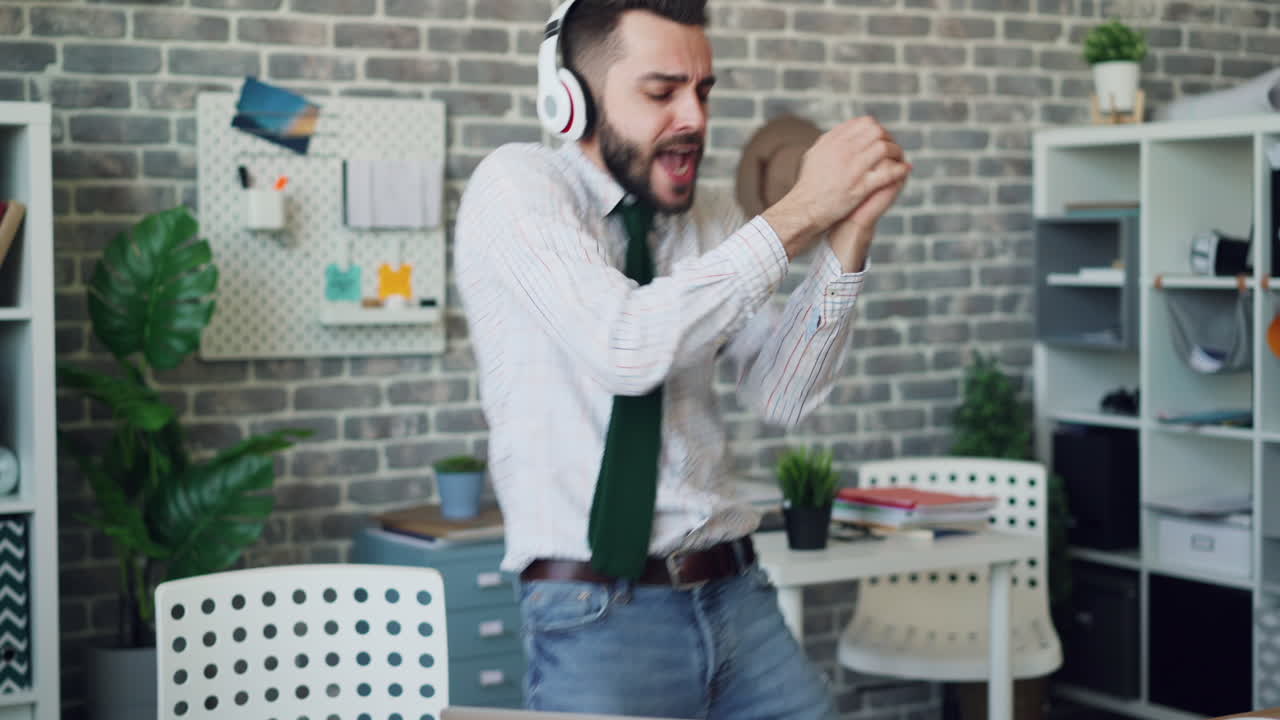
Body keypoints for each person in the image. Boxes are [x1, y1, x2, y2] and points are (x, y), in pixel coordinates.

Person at [454, 1, 909, 717]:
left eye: (703, 91)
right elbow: (625, 346)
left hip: (738, 597)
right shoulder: (517, 188)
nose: (694, 117)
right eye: (662, 92)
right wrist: (799, 213)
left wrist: (847, 235)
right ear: (570, 100)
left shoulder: (710, 223)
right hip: (596, 615)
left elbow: (783, 393)